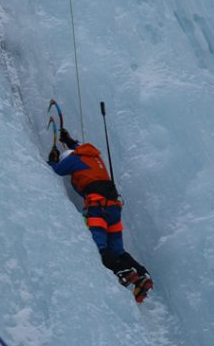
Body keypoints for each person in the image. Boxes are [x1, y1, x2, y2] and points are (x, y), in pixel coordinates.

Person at [48, 128, 154, 302]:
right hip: (114, 208)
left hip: (97, 208)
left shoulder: (73, 160)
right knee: (118, 250)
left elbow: (58, 169)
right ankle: (142, 274)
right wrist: (69, 140)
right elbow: (79, 147)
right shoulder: (93, 156)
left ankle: (124, 272)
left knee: (100, 247)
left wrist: (52, 160)